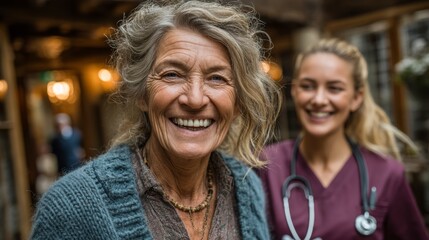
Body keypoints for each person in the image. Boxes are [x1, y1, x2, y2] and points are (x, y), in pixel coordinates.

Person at [30, 1, 282, 239]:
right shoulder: (71, 209)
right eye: (172, 74)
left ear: (237, 102)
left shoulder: (248, 189)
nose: (195, 99)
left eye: (216, 78)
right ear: (141, 94)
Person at [258, 38, 429, 239]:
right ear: (294, 91)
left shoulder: (386, 173)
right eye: (308, 86)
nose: (319, 100)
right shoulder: (265, 165)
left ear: (356, 98)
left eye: (334, 88)